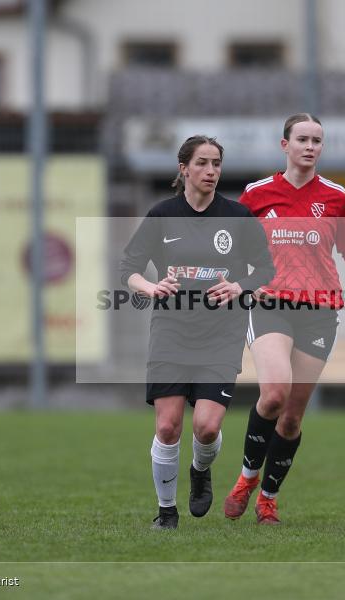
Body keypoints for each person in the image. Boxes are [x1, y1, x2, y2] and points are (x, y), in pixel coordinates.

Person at [223, 114, 345, 525]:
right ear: (285, 145)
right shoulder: (257, 193)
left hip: (319, 310)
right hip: (270, 303)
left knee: (292, 417)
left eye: (317, 141)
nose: (310, 147)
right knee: (274, 394)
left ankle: (268, 499)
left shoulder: (336, 196)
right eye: (303, 139)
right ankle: (245, 479)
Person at [119, 135, 274, 530]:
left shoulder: (238, 218)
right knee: (168, 426)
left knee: (206, 427)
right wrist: (151, 287)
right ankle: (166, 512)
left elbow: (266, 270)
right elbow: (129, 269)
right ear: (183, 168)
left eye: (217, 164)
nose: (211, 171)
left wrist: (240, 287)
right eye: (202, 163)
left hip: (221, 334)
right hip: (171, 330)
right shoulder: (162, 214)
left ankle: (200, 469)